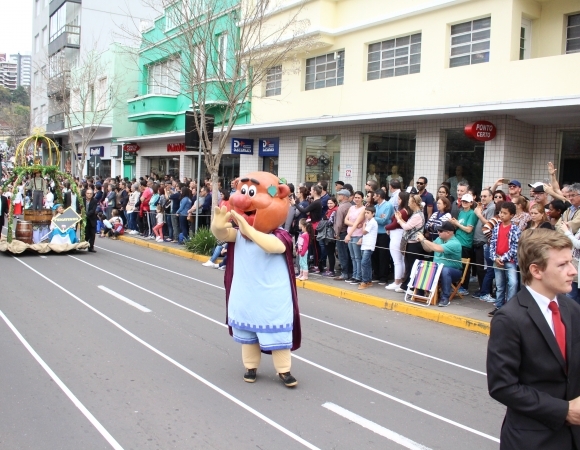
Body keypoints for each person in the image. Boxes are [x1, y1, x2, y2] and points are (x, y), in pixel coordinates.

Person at [487, 228, 580, 450]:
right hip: (532, 440)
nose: (573, 271)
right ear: (536, 270)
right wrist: (563, 411)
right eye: (562, 265)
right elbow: (503, 386)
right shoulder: (509, 319)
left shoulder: (572, 309)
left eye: (571, 262)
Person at [416, 221, 463, 307]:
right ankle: (420, 293)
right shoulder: (439, 239)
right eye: (438, 230)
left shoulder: (455, 243)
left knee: (445, 270)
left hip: (454, 272)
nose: (438, 232)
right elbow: (429, 249)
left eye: (440, 231)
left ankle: (445, 298)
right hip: (437, 269)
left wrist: (424, 239)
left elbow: (437, 248)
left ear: (448, 232)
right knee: (423, 265)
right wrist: (422, 241)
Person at [489, 202, 522, 317]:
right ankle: (498, 306)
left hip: (510, 261)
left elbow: (515, 247)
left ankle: (510, 308)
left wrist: (503, 258)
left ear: (512, 215)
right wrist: (494, 257)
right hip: (497, 259)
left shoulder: (515, 229)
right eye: (500, 212)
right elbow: (492, 243)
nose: (501, 215)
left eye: (505, 213)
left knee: (513, 283)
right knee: (499, 284)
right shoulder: (497, 227)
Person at [394, 194, 425, 293]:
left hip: (415, 243)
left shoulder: (418, 215)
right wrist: (400, 218)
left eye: (409, 202)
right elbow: (409, 225)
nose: (408, 204)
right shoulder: (416, 214)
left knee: (412, 265)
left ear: (414, 203)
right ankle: (405, 285)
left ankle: (411, 287)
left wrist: (399, 219)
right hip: (410, 242)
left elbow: (407, 227)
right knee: (408, 264)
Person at [449, 193, 477, 295]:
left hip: (465, 243)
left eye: (466, 201)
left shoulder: (472, 213)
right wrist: (454, 223)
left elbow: (469, 229)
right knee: (457, 264)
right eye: (463, 201)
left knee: (464, 266)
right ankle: (457, 285)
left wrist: (457, 224)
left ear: (471, 203)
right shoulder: (461, 212)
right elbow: (460, 226)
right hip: (457, 241)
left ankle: (464, 287)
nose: (464, 203)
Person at [472, 189, 496, 301]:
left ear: (491, 197)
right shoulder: (484, 207)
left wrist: (479, 214)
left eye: (485, 196)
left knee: (484, 269)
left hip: (484, 242)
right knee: (479, 269)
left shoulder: (492, 208)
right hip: (478, 241)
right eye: (481, 196)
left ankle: (486, 291)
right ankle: (482, 289)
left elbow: (489, 224)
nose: (482, 198)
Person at [385, 191, 410, 290]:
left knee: (397, 260)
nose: (398, 201)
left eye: (399, 199)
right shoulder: (404, 210)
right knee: (401, 260)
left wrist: (386, 227)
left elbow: (395, 224)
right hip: (398, 234)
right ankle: (401, 280)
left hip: (397, 235)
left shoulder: (403, 211)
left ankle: (397, 281)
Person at [344, 191, 366, 284]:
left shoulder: (364, 209)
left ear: (362, 198)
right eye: (355, 197)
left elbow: (359, 221)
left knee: (358, 257)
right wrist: (355, 225)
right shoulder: (351, 207)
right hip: (351, 233)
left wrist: (353, 227)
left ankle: (358, 276)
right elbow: (346, 220)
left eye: (358, 197)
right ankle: (354, 275)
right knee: (352, 257)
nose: (356, 199)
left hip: (357, 235)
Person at [372, 189, 394, 284]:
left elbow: (384, 220)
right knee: (375, 254)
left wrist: (373, 217)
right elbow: (377, 218)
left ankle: (383, 276)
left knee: (383, 255)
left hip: (384, 233)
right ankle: (376, 274)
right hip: (375, 233)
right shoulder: (376, 206)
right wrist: (377, 218)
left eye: (374, 195)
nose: (373, 197)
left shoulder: (388, 205)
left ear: (379, 196)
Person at [333, 189, 353, 281]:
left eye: (340, 194)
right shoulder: (350, 206)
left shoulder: (341, 207)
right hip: (349, 232)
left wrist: (336, 233)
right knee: (348, 253)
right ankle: (349, 272)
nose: (338, 196)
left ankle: (344, 273)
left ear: (344, 196)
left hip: (342, 232)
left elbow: (338, 223)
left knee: (342, 254)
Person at [358, 205, 378, 290]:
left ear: (373, 214)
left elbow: (364, 232)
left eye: (368, 213)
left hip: (369, 246)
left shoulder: (372, 222)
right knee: (367, 263)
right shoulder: (369, 222)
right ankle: (369, 280)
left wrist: (363, 225)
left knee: (364, 263)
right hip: (365, 245)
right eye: (365, 212)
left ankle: (365, 281)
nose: (366, 214)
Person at [321, 197, 338, 276]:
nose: (329, 205)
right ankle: (330, 269)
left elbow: (329, 222)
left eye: (331, 203)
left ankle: (331, 270)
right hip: (328, 233)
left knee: (330, 252)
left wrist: (324, 220)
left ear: (335, 203)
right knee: (329, 252)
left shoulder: (334, 211)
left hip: (330, 234)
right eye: (328, 203)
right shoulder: (329, 211)